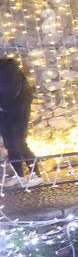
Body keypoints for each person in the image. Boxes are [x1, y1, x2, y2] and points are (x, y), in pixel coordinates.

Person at [0, 57, 40, 186]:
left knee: (19, 142)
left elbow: (11, 90)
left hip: (17, 110)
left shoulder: (8, 67)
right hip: (4, 112)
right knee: (10, 144)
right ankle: (19, 175)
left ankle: (36, 174)